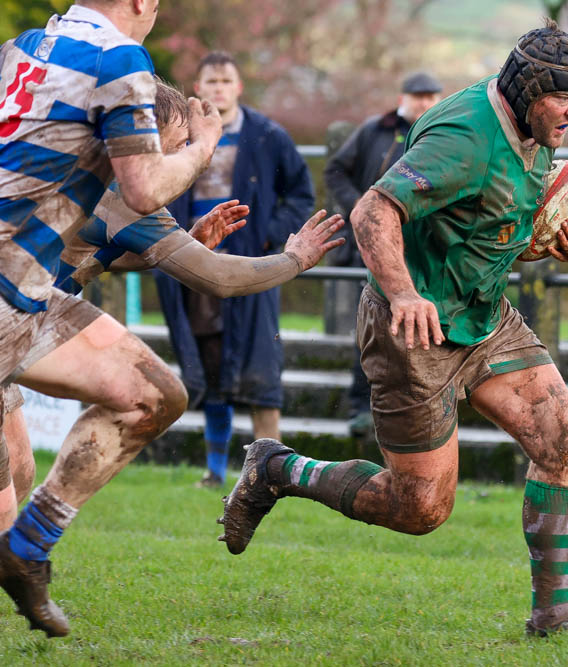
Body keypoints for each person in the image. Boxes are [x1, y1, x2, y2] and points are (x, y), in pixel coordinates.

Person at [217, 20, 568, 637]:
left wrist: (544, 243)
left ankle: (555, 614)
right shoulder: (464, 136)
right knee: (420, 509)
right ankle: (277, 469)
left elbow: (485, 226)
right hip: (412, 332)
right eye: (562, 95)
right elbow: (373, 210)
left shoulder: (536, 129)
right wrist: (403, 292)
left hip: (485, 317)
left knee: (564, 441)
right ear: (525, 88)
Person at [0, 79, 345, 531]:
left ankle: (28, 546)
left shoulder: (92, 165)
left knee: (21, 472)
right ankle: (35, 541)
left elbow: (92, 250)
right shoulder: (129, 190)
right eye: (182, 144)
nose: (189, 160)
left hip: (18, 318)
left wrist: (187, 242)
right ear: (149, 135)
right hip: (14, 317)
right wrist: (294, 259)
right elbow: (219, 278)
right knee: (150, 398)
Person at [0, 0, 223, 637]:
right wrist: (202, 147)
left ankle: (25, 551)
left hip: (26, 291)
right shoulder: (118, 57)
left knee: (153, 395)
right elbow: (144, 188)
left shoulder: (23, 48)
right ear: (141, 3)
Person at [154, 51, 316, 489]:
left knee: (260, 368)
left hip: (249, 265)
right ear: (198, 89)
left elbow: (301, 194)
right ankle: (214, 470)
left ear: (238, 88)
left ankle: (274, 473)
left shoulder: (267, 137)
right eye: (211, 81)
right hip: (191, 259)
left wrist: (269, 235)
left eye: (227, 80)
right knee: (210, 369)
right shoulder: (178, 135)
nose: (219, 88)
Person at [323, 71, 443, 436]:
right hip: (375, 247)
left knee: (417, 331)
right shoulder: (374, 131)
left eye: (430, 96)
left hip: (421, 248)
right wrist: (358, 207)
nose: (423, 103)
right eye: (417, 95)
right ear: (403, 97)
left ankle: (415, 412)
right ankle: (361, 407)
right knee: (374, 329)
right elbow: (336, 170)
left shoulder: (441, 135)